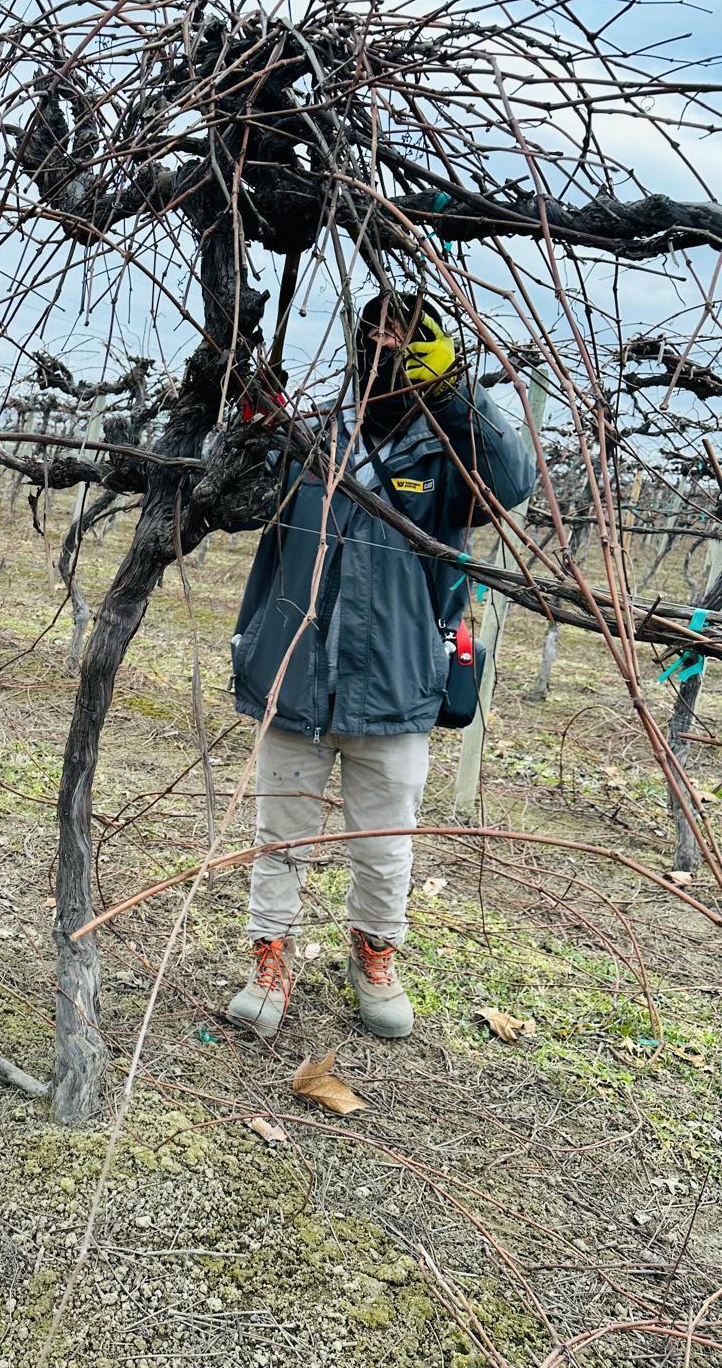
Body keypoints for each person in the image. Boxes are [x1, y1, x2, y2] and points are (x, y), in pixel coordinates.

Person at [226, 291, 533, 1040]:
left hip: (397, 679)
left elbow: (515, 479)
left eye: (407, 333)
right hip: (295, 672)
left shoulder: (448, 449)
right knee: (282, 834)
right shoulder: (311, 438)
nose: (387, 343)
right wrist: (245, 418)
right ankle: (271, 956)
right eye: (375, 330)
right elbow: (233, 483)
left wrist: (456, 387)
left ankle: (374, 955)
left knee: (385, 844)